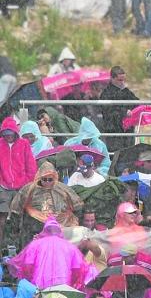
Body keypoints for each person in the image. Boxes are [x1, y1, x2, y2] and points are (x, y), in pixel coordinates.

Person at [10, 161, 83, 247]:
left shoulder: (64, 190)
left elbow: (77, 206)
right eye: (44, 179)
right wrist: (15, 231)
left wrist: (68, 219)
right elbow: (16, 209)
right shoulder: (28, 190)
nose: (47, 182)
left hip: (59, 228)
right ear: (39, 177)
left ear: (55, 177)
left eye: (50, 179)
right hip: (34, 229)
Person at [8, 216, 88, 289]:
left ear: (45, 229)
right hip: (63, 286)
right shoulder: (70, 247)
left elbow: (27, 265)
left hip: (40, 286)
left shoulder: (35, 244)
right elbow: (79, 268)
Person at [0, 116, 37, 245]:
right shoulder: (0, 144)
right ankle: (1, 247)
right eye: (5, 133)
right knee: (2, 218)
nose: (8, 136)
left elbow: (31, 166)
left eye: (10, 133)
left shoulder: (24, 144)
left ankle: (18, 246)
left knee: (20, 218)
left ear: (15, 132)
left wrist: (27, 183)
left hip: (21, 187)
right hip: (3, 187)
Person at [99, 66, 138, 152]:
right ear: (112, 78)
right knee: (116, 154)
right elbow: (108, 112)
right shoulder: (106, 94)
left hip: (127, 129)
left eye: (123, 80)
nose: (122, 82)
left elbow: (136, 102)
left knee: (129, 152)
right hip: (114, 130)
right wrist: (124, 112)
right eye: (119, 80)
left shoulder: (125, 91)